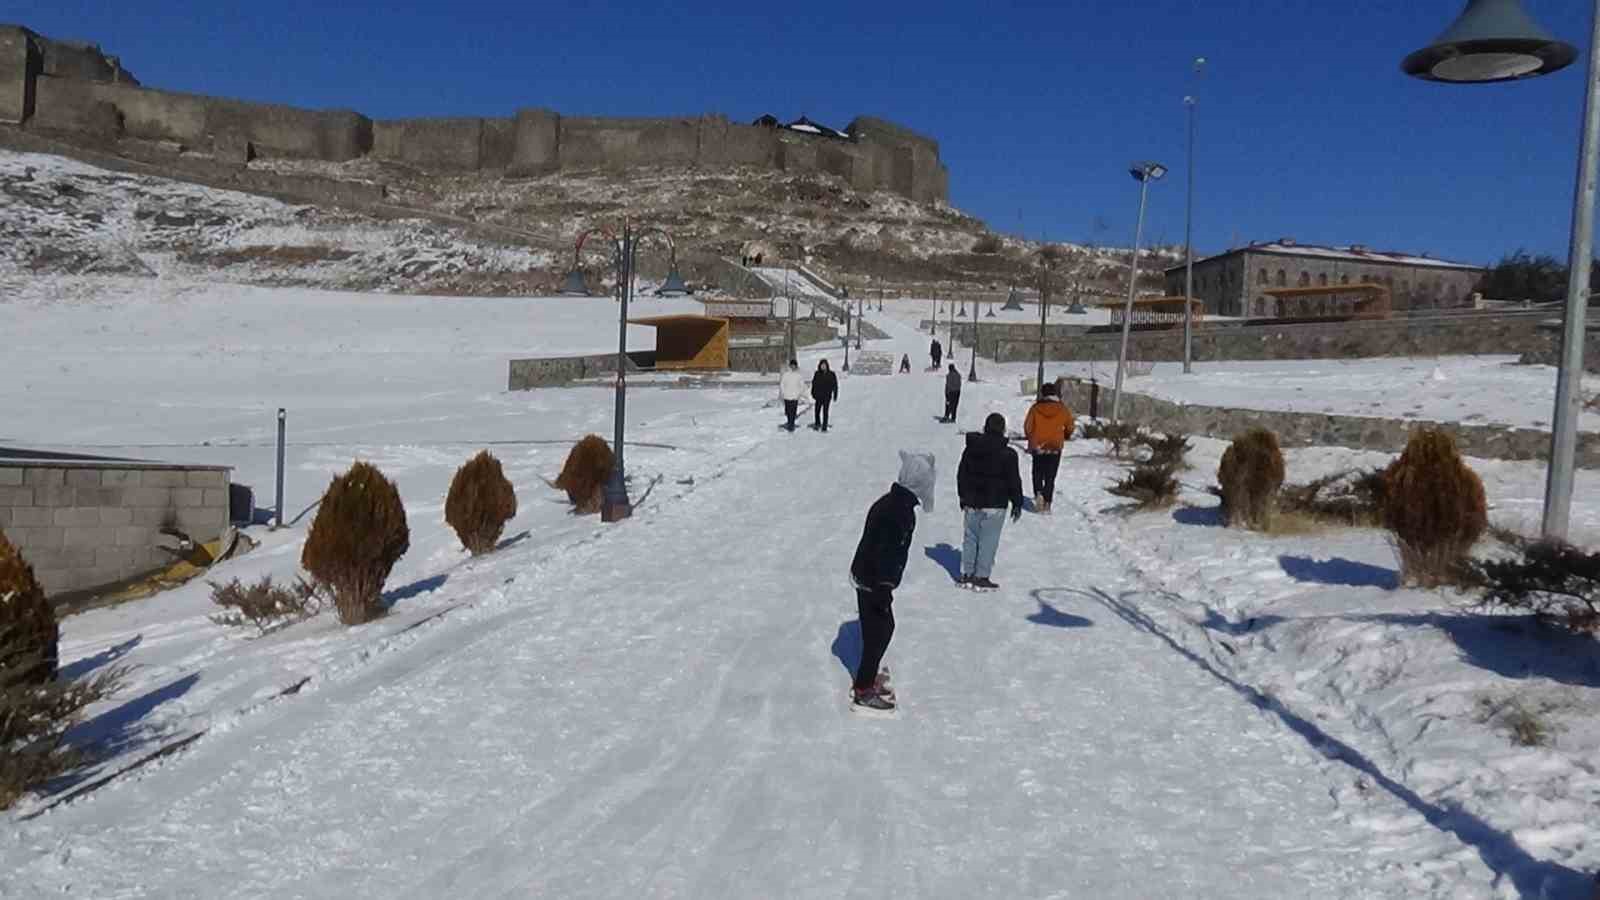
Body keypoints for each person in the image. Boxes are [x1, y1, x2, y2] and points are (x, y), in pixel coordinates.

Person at [849, 450, 935, 713]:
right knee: (882, 630)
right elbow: (886, 552)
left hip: (865, 575)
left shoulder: (892, 502)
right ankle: (864, 689)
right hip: (873, 580)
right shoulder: (900, 513)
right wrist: (884, 589)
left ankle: (868, 673)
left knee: (876, 629)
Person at [956, 413, 1023, 591]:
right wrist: (1017, 502)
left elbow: (962, 474)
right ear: (1002, 430)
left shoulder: (971, 449)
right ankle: (981, 576)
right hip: (995, 504)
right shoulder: (1008, 454)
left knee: (970, 538)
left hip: (972, 501)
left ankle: (967, 573)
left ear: (985, 427)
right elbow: (1014, 480)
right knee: (988, 541)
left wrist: (962, 496)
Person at [1023, 381, 1075, 514]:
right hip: (1055, 446)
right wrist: (1066, 435)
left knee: (1037, 472)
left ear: (1043, 394)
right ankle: (1047, 503)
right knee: (1050, 476)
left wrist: (1031, 438)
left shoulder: (1035, 408)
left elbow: (1028, 427)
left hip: (1038, 445)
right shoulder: (1062, 409)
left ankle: (1039, 493)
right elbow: (1070, 426)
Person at [811, 359, 839, 431]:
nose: (823, 367)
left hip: (827, 396)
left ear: (827, 366)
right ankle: (817, 423)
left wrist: (835, 394)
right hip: (818, 396)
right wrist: (813, 393)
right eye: (822, 365)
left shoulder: (831, 374)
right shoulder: (817, 374)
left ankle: (824, 426)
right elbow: (814, 384)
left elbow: (835, 385)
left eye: (824, 365)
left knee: (825, 412)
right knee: (817, 411)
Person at [778, 359, 805, 432]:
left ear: (796, 366)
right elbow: (782, 384)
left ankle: (791, 425)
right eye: (791, 365)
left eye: (794, 365)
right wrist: (783, 393)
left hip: (795, 397)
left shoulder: (799, 375)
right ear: (790, 366)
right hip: (787, 396)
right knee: (788, 411)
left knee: (793, 411)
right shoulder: (786, 375)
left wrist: (798, 394)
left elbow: (802, 386)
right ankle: (789, 422)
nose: (793, 367)